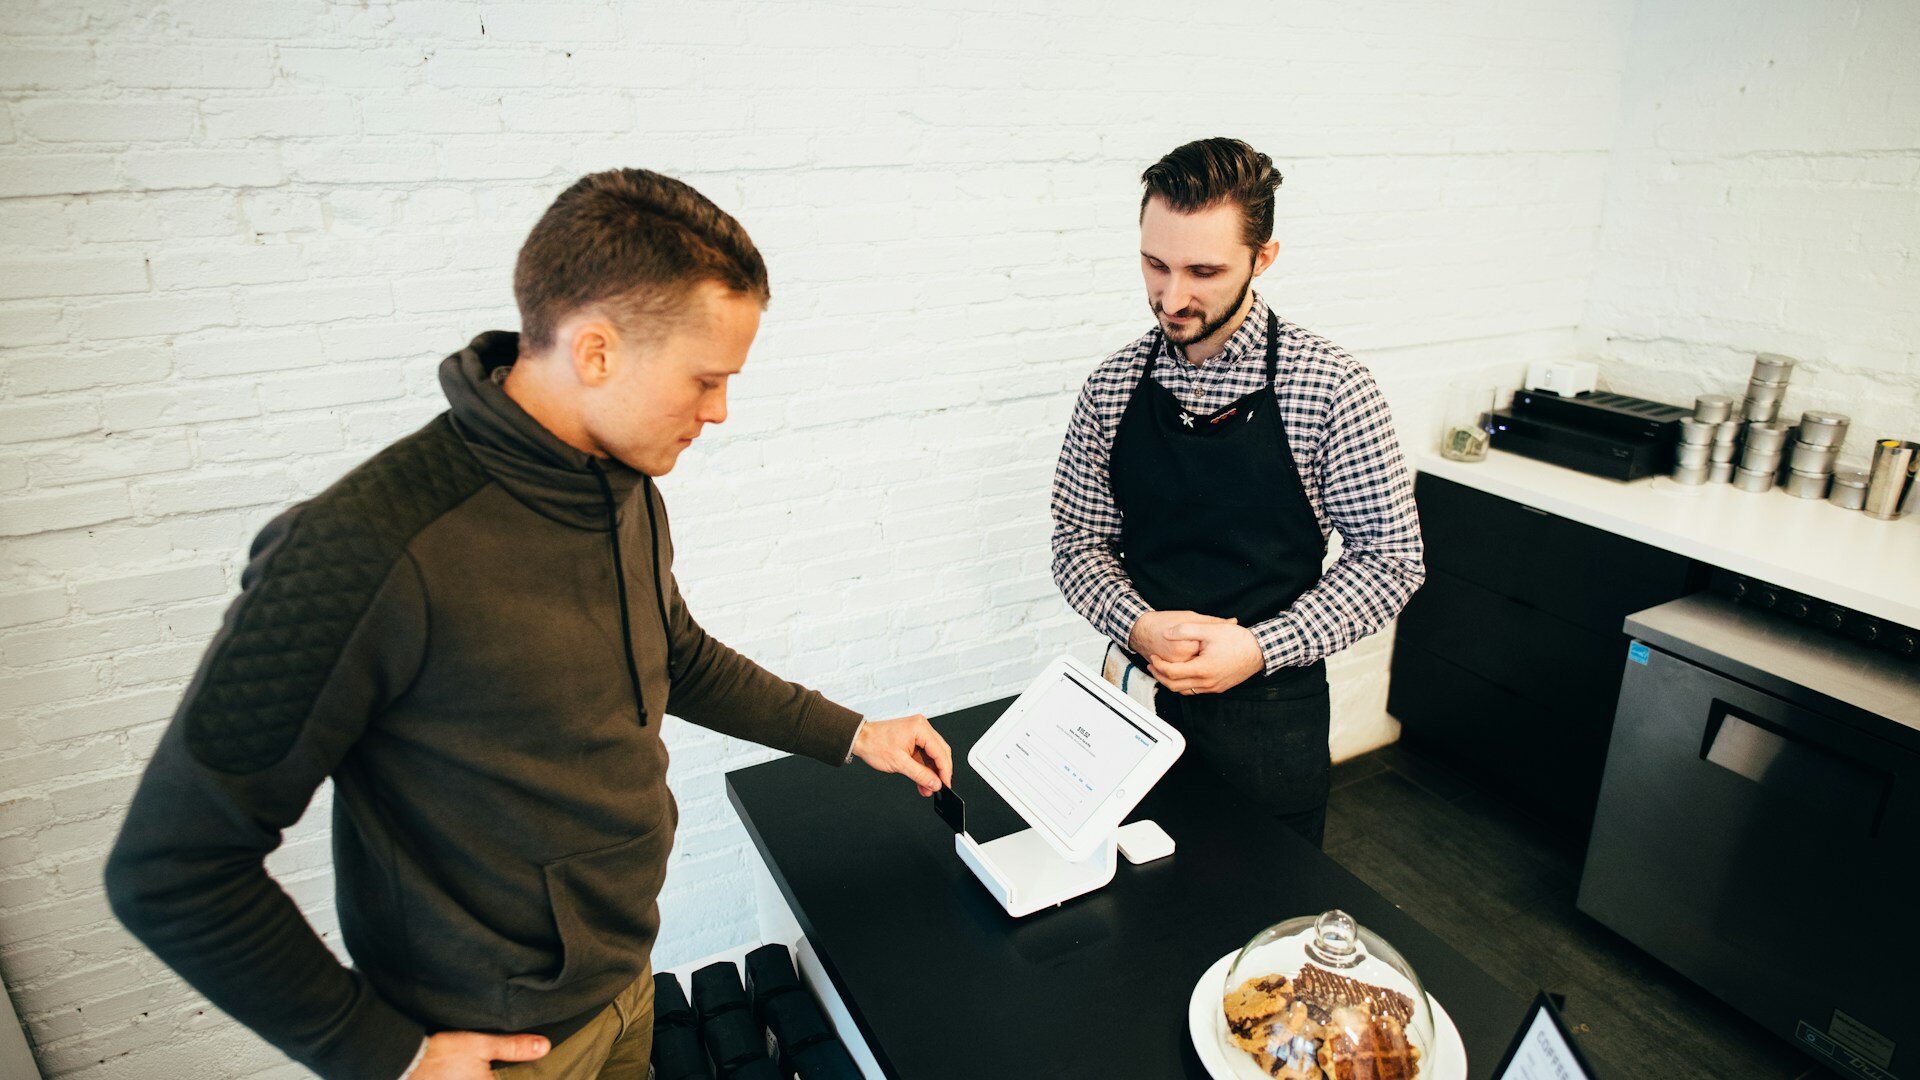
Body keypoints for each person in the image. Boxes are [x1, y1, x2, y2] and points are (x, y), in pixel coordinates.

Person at [105, 168, 953, 1080]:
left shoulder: (619, 481)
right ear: (596, 353)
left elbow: (676, 656)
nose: (720, 412)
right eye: (705, 380)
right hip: (493, 1052)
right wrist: (384, 1057)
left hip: (626, 988)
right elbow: (172, 867)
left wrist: (854, 734)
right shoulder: (362, 551)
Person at [1049, 138, 1424, 848]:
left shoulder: (1331, 388)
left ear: (1264, 258)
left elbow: (1391, 562)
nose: (1172, 296)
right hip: (1131, 704)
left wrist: (1257, 646)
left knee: (1254, 921)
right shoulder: (1113, 385)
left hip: (1270, 720)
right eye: (1154, 264)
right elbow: (1078, 542)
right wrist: (1136, 622)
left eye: (1204, 271)